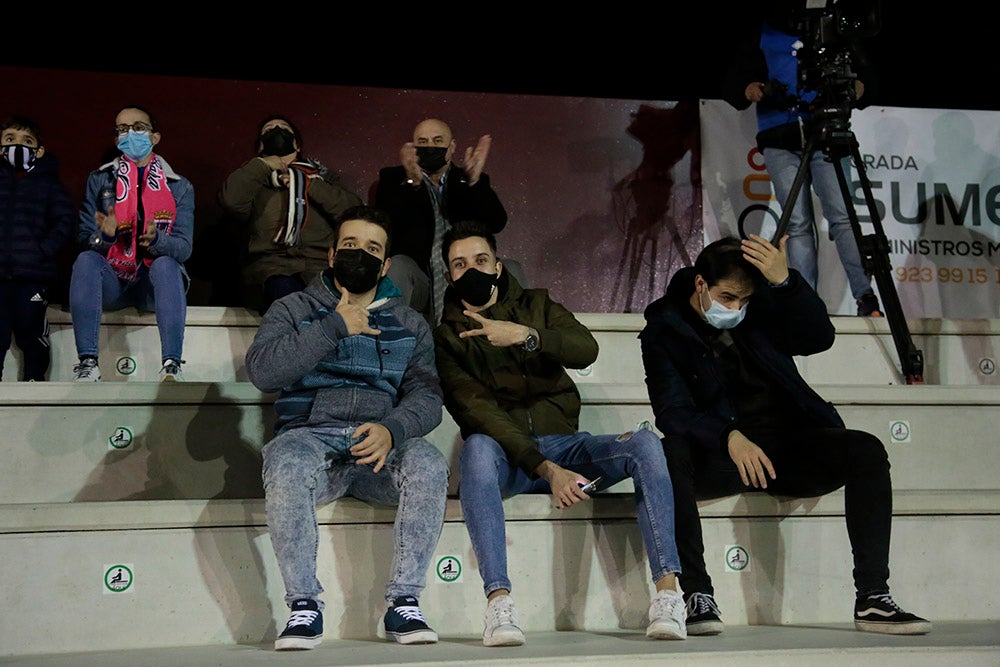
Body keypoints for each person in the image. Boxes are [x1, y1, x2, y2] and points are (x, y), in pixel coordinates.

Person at [638, 233, 931, 636]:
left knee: (866, 449)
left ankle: (873, 597)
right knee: (670, 451)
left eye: (743, 300)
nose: (736, 309)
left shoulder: (761, 304)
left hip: (787, 445)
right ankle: (697, 594)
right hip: (722, 454)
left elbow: (818, 338)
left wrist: (786, 282)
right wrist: (729, 435)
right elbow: (672, 412)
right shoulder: (663, 329)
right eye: (727, 298)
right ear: (700, 284)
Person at [433, 220, 686, 647]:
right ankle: (498, 602)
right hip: (509, 459)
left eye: (480, 260)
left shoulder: (538, 304)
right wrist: (546, 470)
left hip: (567, 446)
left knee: (645, 443)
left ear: (497, 265)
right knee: (476, 446)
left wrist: (527, 336)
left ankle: (668, 595)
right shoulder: (448, 337)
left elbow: (586, 348)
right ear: (449, 277)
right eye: (459, 265)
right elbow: (476, 412)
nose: (471, 270)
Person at [245, 205, 448, 651]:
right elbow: (262, 371)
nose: (360, 255)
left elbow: (428, 397)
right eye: (351, 245)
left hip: (378, 452)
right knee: (286, 458)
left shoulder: (410, 322)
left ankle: (405, 601)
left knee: (429, 461)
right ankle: (303, 606)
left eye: (372, 249)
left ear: (386, 264)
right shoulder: (293, 307)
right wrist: (335, 326)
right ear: (333, 254)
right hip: (312, 438)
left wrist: (393, 429)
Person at [722, 6, 883, 316]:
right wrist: (756, 89)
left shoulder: (833, 28)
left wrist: (855, 90)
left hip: (826, 132)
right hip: (780, 137)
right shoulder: (764, 29)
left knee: (843, 216)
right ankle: (805, 304)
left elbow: (866, 79)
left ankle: (866, 297)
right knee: (796, 223)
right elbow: (736, 85)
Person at [71, 104, 194, 382]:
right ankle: (88, 363)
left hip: (154, 286)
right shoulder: (100, 180)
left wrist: (157, 239)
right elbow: (85, 240)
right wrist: (108, 235)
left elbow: (184, 248)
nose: (130, 134)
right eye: (123, 129)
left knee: (165, 263)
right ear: (116, 140)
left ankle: (172, 365)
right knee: (86, 260)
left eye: (138, 127)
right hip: (114, 281)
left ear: (155, 137)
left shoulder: (179, 186)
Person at [219, 115, 362, 314]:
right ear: (260, 146)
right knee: (290, 300)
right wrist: (263, 165)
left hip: (319, 266)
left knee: (332, 306)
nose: (276, 131)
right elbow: (231, 200)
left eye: (283, 128)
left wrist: (309, 184)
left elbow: (352, 212)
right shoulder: (253, 181)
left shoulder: (323, 177)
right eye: (269, 130)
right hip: (273, 267)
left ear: (296, 144)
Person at [374, 118, 511, 325]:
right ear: (413, 146)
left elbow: (497, 222)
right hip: (420, 280)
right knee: (398, 265)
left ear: (452, 146)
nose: (430, 147)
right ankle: (391, 342)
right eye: (423, 141)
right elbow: (385, 226)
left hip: (466, 277)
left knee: (511, 268)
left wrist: (472, 184)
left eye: (438, 141)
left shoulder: (468, 178)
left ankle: (518, 345)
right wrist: (413, 182)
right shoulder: (394, 179)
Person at [0, 115, 75, 381]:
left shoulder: (48, 184)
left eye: (27, 141)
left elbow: (66, 220)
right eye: (10, 139)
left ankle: (35, 382)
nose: (17, 145)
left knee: (31, 332)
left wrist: (43, 251)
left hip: (33, 277)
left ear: (39, 150)